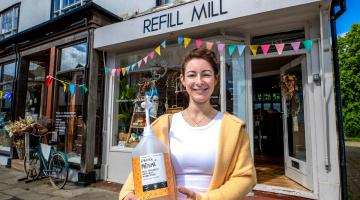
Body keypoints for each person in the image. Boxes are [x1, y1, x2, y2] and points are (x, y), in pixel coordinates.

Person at [120, 48, 257, 200]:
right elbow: (143, 166)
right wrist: (127, 194)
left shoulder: (233, 128)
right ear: (183, 80)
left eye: (206, 74)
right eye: (192, 75)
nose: (199, 81)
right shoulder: (163, 126)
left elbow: (245, 177)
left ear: (216, 79)